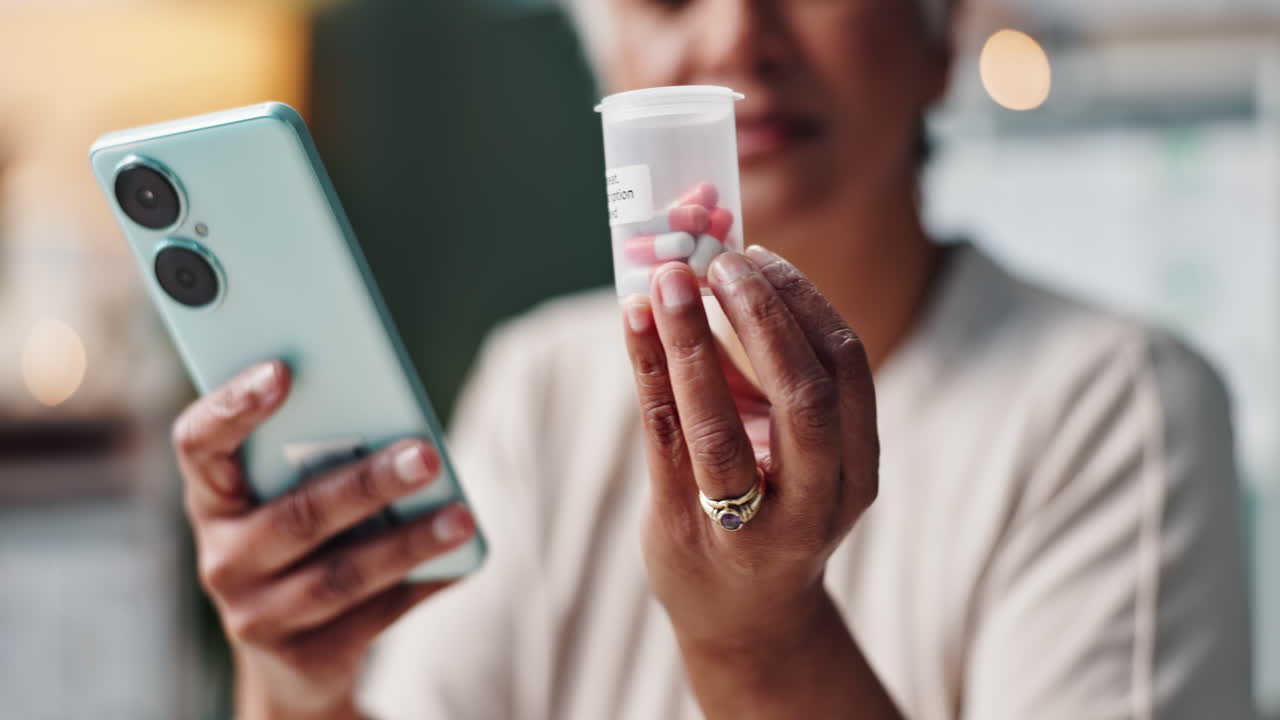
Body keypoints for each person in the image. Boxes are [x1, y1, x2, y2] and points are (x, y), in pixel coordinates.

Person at [170, 1, 1256, 718]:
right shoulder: (540, 387)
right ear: (614, 62)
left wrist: (756, 637)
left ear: (936, 37)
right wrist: (292, 682)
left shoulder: (1115, 409)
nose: (739, 36)